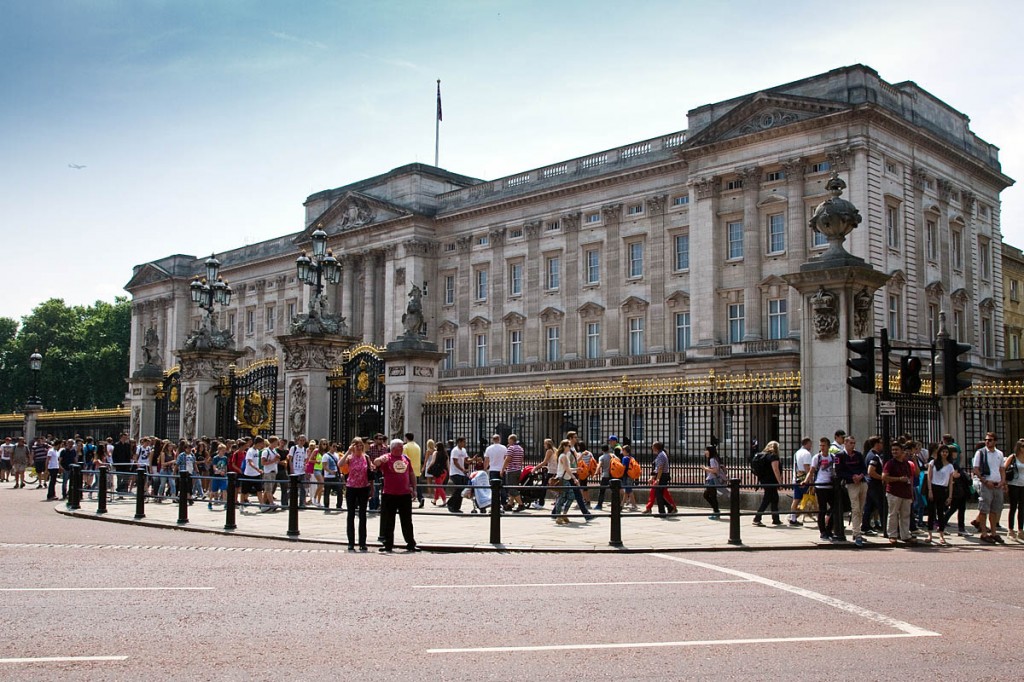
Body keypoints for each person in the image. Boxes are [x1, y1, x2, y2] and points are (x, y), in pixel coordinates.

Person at [373, 439, 418, 553]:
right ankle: (388, 544)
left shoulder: (406, 459)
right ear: (393, 448)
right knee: (389, 520)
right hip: (390, 494)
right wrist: (379, 459)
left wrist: (414, 488)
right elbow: (376, 463)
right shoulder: (387, 458)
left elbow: (411, 474)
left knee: (407, 520)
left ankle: (410, 543)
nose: (402, 448)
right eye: (400, 447)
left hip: (405, 493)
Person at [973, 432, 1007, 544]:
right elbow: (976, 469)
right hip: (986, 484)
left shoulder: (999, 453)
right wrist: (985, 481)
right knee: (984, 509)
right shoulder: (981, 453)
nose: (988, 441)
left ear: (995, 441)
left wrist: (1002, 481)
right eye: (986, 440)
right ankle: (984, 533)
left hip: (997, 484)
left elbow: (1002, 468)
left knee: (995, 510)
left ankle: (994, 533)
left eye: (990, 440)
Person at [835, 435, 868, 546]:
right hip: (851, 484)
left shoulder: (858, 455)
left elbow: (864, 467)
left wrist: (860, 475)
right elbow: (839, 471)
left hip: (862, 482)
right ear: (845, 443)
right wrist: (852, 477)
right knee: (855, 508)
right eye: (851, 443)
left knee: (861, 508)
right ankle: (857, 533)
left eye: (854, 443)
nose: (853, 445)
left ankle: (857, 530)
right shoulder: (840, 455)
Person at [882, 441, 916, 545]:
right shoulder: (890, 463)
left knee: (905, 515)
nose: (894, 452)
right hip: (893, 492)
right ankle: (892, 535)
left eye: (896, 450)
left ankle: (905, 535)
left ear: (902, 451)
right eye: (893, 450)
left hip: (906, 493)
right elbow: (884, 477)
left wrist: (911, 493)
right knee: (893, 514)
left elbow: (911, 478)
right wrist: (899, 479)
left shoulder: (906, 463)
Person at [341, 438, 372, 551]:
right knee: (351, 515)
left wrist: (371, 489)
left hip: (363, 488)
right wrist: (348, 452)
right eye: (356, 445)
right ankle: (351, 542)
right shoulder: (349, 458)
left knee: (363, 516)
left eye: (360, 445)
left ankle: (362, 542)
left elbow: (370, 473)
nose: (359, 447)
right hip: (351, 488)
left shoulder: (366, 457)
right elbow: (340, 464)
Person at [807, 437, 835, 541]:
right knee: (822, 509)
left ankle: (829, 529)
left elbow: (836, 469)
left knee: (834, 508)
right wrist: (806, 481)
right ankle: (823, 531)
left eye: (824, 445)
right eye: (820, 445)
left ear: (828, 446)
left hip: (830, 486)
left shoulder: (833, 457)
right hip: (820, 486)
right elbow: (811, 471)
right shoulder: (816, 457)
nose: (822, 448)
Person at [926, 444, 955, 546]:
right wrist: (929, 490)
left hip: (943, 489)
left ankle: (941, 535)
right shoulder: (933, 463)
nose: (944, 454)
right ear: (939, 452)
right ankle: (929, 534)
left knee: (941, 513)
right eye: (943, 451)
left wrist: (950, 496)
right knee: (931, 512)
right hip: (933, 487)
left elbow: (951, 482)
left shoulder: (950, 466)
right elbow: (929, 477)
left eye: (946, 452)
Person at [752, 440, 783, 527]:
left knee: (774, 498)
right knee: (767, 499)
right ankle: (757, 518)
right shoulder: (773, 457)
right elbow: (776, 470)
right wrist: (780, 482)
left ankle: (776, 519)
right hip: (771, 480)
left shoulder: (763, 455)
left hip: (764, 479)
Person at [789, 438, 813, 526]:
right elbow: (807, 468)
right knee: (811, 499)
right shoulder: (806, 454)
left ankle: (793, 518)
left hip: (796, 478)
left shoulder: (797, 452)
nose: (811, 446)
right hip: (804, 480)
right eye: (810, 444)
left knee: (796, 500)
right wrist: (810, 480)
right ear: (806, 443)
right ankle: (820, 518)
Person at [1005, 439, 1024, 540]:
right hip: (1014, 484)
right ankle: (1010, 530)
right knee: (1013, 507)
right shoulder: (1013, 457)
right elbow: (1004, 469)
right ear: (1019, 448)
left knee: (1022, 508)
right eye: (1023, 446)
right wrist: (1005, 484)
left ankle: (1020, 530)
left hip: (1023, 485)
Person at [648, 441, 673, 517]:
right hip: (662, 475)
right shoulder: (661, 454)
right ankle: (669, 507)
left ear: (656, 447)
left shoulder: (661, 455)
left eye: (653, 447)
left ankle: (662, 512)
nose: (652, 448)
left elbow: (660, 468)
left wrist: (658, 479)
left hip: (662, 476)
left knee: (658, 494)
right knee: (659, 494)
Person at [502, 434, 526, 511]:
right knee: (513, 487)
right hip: (518, 470)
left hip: (511, 470)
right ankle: (510, 504)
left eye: (508, 439)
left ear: (511, 440)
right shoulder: (520, 448)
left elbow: (507, 459)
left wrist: (502, 469)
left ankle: (521, 504)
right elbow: (522, 460)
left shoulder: (511, 448)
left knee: (511, 488)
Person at [446, 437, 469, 513]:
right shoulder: (455, 450)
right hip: (455, 472)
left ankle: (457, 506)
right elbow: (455, 462)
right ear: (459, 442)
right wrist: (463, 469)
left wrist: (473, 460)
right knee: (459, 488)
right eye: (463, 442)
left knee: (462, 489)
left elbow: (466, 460)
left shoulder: (464, 450)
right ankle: (450, 503)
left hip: (461, 473)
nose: (464, 444)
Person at [483, 433, 507, 507]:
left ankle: (495, 502)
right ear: (499, 439)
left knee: (493, 487)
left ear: (492, 440)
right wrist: (505, 467)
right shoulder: (504, 448)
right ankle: (503, 502)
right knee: (502, 486)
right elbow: (506, 458)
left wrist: (485, 469)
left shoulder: (489, 448)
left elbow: (486, 460)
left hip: (492, 469)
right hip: (501, 469)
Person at [702, 445, 724, 520]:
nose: (705, 452)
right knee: (709, 495)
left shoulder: (712, 459)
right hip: (711, 479)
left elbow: (715, 470)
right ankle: (716, 511)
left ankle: (716, 511)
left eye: (706, 450)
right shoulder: (715, 458)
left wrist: (705, 468)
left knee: (710, 496)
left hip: (712, 480)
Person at [320, 442, 343, 511]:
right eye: (333, 446)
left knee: (340, 491)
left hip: (336, 476)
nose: (335, 448)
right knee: (327, 492)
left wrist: (340, 473)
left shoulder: (336, 455)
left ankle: (339, 505)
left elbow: (338, 465)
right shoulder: (326, 456)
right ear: (330, 447)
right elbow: (324, 466)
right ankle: (326, 506)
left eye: (336, 446)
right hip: (328, 477)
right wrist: (330, 471)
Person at [289, 435, 309, 507]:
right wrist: (291, 469)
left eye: (303, 440)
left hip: (302, 471)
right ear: (298, 441)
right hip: (295, 470)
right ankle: (292, 502)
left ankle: (302, 503)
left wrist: (305, 465)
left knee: (303, 488)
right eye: (301, 440)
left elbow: (306, 459)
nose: (302, 442)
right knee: (294, 487)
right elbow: (290, 459)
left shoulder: (304, 449)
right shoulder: (293, 448)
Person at [209, 442, 228, 510]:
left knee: (224, 489)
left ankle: (225, 503)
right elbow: (214, 467)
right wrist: (219, 471)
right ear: (219, 450)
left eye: (224, 450)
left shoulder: (225, 458)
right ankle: (210, 502)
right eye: (222, 450)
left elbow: (225, 466)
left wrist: (225, 472)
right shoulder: (215, 458)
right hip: (216, 475)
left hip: (223, 476)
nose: (224, 452)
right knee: (214, 490)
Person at [593, 444, 612, 511]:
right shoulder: (612, 456)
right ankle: (617, 504)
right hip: (612, 475)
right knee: (614, 490)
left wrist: (595, 473)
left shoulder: (602, 457)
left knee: (602, 491)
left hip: (605, 475)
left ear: (602, 450)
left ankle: (599, 505)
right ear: (608, 449)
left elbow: (599, 465)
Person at [620, 444, 638, 512]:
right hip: (631, 475)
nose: (622, 451)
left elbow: (623, 467)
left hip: (626, 475)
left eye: (622, 450)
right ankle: (622, 504)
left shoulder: (624, 458)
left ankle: (634, 505)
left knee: (629, 490)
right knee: (627, 490)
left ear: (625, 451)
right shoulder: (631, 458)